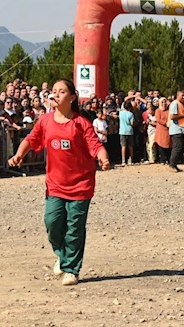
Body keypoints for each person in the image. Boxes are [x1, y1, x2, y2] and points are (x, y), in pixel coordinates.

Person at [8, 79, 110, 286]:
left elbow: (96, 144)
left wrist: (103, 157)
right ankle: (63, 256)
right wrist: (19, 154)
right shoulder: (45, 121)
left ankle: (71, 269)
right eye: (54, 91)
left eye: (62, 91)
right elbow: (30, 139)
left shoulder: (81, 123)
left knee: (75, 228)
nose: (56, 94)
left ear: (72, 97)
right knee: (52, 223)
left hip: (81, 185)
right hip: (55, 184)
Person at [168, 91, 184, 172]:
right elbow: (172, 116)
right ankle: (172, 165)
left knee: (179, 147)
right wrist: (183, 115)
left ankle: (174, 164)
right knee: (177, 147)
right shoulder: (174, 104)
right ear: (177, 95)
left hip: (180, 129)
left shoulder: (181, 104)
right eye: (182, 95)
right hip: (176, 129)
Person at [154, 98, 171, 164]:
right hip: (161, 130)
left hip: (168, 130)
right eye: (162, 102)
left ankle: (168, 159)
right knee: (161, 145)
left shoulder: (168, 111)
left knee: (168, 144)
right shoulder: (158, 111)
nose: (164, 104)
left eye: (165, 102)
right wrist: (165, 123)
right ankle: (162, 159)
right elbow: (158, 119)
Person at [118, 101, 135, 166]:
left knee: (123, 146)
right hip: (129, 131)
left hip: (122, 131)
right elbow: (132, 123)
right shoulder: (131, 114)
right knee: (130, 146)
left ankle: (123, 160)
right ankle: (131, 159)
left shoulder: (120, 113)